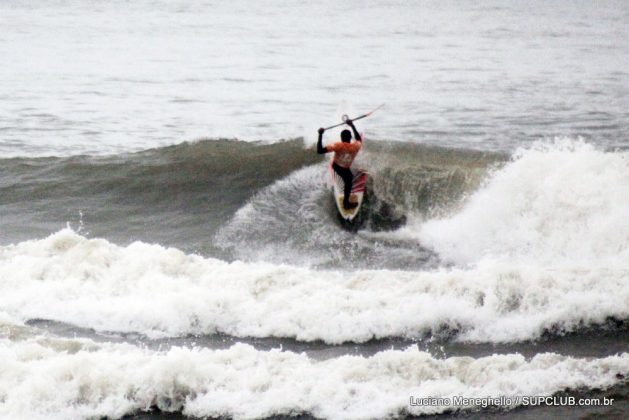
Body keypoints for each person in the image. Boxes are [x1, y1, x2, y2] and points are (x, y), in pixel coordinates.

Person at [317, 119, 362, 209]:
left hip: (336, 166)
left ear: (341, 138)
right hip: (344, 169)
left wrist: (320, 135)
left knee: (347, 175)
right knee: (349, 180)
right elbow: (359, 139)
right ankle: (346, 204)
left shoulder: (338, 145)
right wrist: (352, 125)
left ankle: (343, 179)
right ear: (350, 138)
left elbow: (320, 150)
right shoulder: (356, 146)